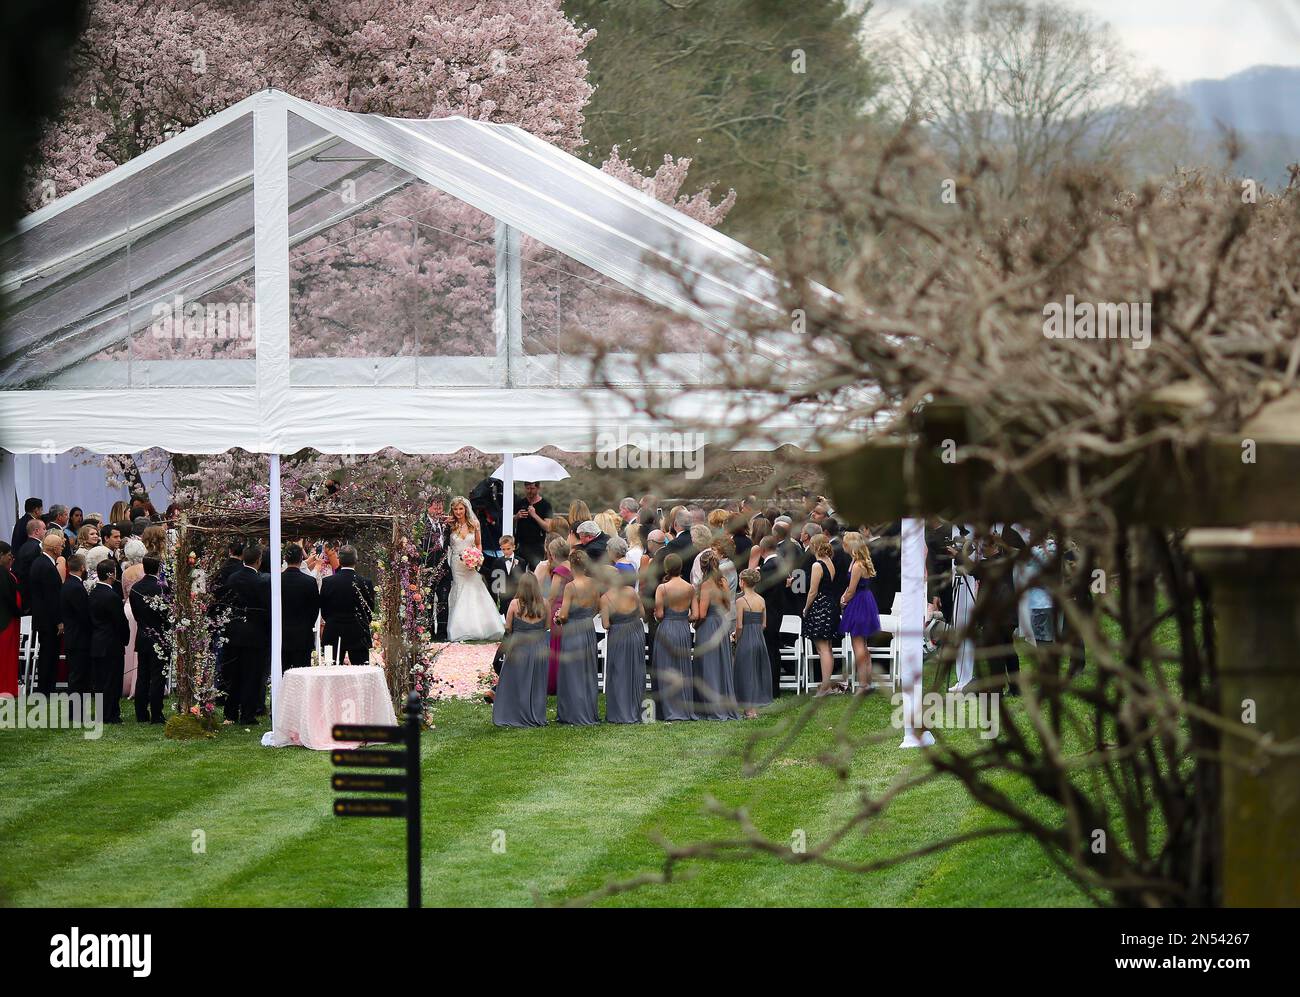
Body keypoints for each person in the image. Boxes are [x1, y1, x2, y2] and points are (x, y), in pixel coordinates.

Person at [492, 573, 549, 728]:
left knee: (515, 681)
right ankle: (534, 713)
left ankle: (514, 713)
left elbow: (508, 627)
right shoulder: (545, 603)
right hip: (538, 647)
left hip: (519, 647)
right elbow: (547, 626)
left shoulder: (514, 604)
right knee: (536, 683)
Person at [445, 496, 504, 641]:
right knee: (460, 589)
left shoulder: (474, 524)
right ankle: (459, 628)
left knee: (474, 587)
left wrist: (477, 557)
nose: (458, 512)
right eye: (455, 509)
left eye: (461, 508)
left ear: (466, 509)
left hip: (471, 563)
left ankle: (482, 625)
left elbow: (478, 544)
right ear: (452, 510)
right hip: (456, 563)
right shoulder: (450, 524)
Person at [224, 544, 271, 724]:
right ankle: (247, 714)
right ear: (258, 561)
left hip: (234, 631)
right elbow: (267, 609)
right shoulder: (262, 582)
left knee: (234, 674)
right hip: (255, 633)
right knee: (252, 675)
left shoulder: (232, 579)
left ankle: (230, 712)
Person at [554, 548, 600, 725]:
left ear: (572, 565)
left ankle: (573, 712)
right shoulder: (594, 584)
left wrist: (558, 617)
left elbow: (564, 615)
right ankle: (588, 710)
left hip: (573, 629)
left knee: (572, 671)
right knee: (587, 670)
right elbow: (596, 607)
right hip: (588, 627)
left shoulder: (571, 586)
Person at [692, 550, 739, 720]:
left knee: (708, 666)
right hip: (721, 623)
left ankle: (710, 707)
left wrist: (695, 624)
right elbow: (728, 606)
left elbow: (702, 613)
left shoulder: (706, 585)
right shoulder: (723, 581)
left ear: (702, 566)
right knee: (720, 664)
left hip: (708, 626)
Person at [652, 553, 695, 722]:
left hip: (667, 628)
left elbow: (660, 614)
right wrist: (683, 615)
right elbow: (695, 614)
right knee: (682, 669)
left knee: (665, 668)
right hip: (683, 629)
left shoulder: (662, 588)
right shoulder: (690, 588)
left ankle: (667, 709)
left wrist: (659, 615)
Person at [129, 556, 170, 724]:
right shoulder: (162, 588)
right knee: (158, 677)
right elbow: (168, 614)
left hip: (143, 635)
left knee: (143, 675)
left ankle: (141, 712)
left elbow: (136, 614)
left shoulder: (135, 588)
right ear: (159, 568)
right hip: (158, 636)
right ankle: (156, 713)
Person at [601, 566, 645, 724]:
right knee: (635, 670)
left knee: (619, 672)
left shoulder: (605, 598)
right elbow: (642, 613)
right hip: (636, 632)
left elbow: (606, 625)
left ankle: (620, 711)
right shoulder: (631, 591)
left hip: (618, 634)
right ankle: (636, 709)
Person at [839, 534, 882, 692]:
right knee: (862, 644)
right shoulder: (857, 561)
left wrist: (843, 600)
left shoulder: (857, 565)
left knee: (858, 644)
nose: (843, 546)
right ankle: (867, 681)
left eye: (844, 544)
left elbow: (851, 589)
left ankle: (864, 684)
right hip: (863, 600)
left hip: (859, 602)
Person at [320, 545, 376, 665]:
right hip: (358, 632)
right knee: (361, 673)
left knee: (332, 672)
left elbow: (324, 609)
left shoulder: (328, 582)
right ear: (356, 560)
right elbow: (369, 609)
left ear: (339, 560)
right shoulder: (365, 582)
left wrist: (332, 620)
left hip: (333, 630)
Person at [89, 559, 129, 723]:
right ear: (111, 574)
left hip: (97, 642)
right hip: (111, 644)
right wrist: (125, 638)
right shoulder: (111, 596)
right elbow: (120, 622)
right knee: (112, 681)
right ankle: (110, 714)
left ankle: (102, 712)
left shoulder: (94, 592)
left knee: (100, 682)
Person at [803, 534, 842, 696]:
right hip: (831, 605)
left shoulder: (817, 565)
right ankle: (826, 684)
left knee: (822, 648)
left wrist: (806, 608)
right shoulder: (829, 562)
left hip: (820, 607)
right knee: (828, 648)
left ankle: (825, 687)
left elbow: (813, 591)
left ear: (814, 546)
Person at [733, 568, 773, 717]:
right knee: (755, 671)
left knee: (745, 671)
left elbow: (739, 625)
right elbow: (764, 624)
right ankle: (753, 708)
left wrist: (737, 637)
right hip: (759, 638)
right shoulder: (761, 600)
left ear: (742, 582)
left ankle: (749, 710)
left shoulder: (740, 601)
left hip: (746, 639)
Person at [28, 532, 65, 694]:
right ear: (55, 548)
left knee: (46, 654)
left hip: (41, 618)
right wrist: (59, 620)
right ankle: (46, 688)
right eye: (61, 545)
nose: (62, 548)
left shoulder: (39, 562)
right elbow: (52, 598)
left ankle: (46, 687)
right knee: (49, 655)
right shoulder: (47, 566)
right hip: (49, 620)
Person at [756, 535, 789, 700]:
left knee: (770, 650)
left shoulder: (768, 567)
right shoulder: (781, 563)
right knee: (773, 649)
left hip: (769, 613)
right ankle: (773, 687)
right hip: (778, 611)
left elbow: (761, 590)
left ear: (762, 550)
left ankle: (771, 688)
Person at [281, 543, 321, 670]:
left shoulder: (276, 580)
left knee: (283, 675)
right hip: (303, 635)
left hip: (282, 634)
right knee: (302, 676)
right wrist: (307, 625)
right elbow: (315, 608)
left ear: (285, 559)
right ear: (301, 559)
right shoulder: (309, 582)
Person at [420, 494, 453, 639]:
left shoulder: (446, 524)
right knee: (428, 601)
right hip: (428, 569)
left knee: (443, 601)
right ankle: (429, 632)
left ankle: (442, 633)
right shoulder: (421, 524)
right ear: (428, 508)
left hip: (444, 569)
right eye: (436, 507)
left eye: (440, 507)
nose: (439, 510)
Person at [60, 554, 93, 695]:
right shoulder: (76, 587)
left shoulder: (68, 584)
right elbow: (83, 614)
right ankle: (76, 710)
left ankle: (77, 710)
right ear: (82, 567)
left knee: (78, 674)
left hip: (72, 636)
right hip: (78, 638)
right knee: (78, 676)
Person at [119, 537, 148, 699]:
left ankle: (126, 683)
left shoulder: (126, 572)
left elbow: (124, 595)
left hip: (129, 609)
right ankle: (141, 682)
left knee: (129, 647)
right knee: (141, 647)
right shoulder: (147, 569)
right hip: (144, 609)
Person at [542, 536, 571, 695]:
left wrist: (545, 610)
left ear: (553, 554)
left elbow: (552, 596)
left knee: (556, 646)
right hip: (571, 610)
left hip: (558, 610)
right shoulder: (573, 566)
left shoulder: (560, 571)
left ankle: (554, 682)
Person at [512, 481, 553, 567]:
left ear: (538, 488)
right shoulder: (519, 503)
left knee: (536, 573)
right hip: (520, 544)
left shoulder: (545, 505)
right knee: (518, 572)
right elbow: (510, 521)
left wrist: (535, 515)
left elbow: (548, 527)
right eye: (527, 488)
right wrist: (517, 516)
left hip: (537, 546)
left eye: (532, 488)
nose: (529, 491)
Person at [487, 534, 529, 616]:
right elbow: (494, 580)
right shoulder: (497, 562)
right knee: (506, 618)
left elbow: (523, 580)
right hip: (504, 596)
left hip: (517, 596)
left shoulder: (521, 562)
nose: (506, 551)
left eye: (508, 549)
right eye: (503, 549)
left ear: (514, 547)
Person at [0, 543, 19, 698]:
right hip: (6, 621)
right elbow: (8, 597)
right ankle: (5, 689)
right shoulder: (3, 574)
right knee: (6, 656)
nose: (10, 559)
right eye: (9, 555)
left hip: (7, 619)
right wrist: (19, 612)